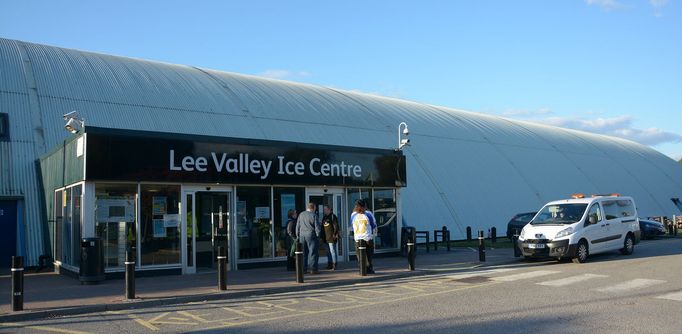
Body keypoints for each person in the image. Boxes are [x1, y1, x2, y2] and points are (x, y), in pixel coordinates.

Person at [351, 199, 376, 274]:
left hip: (358, 238)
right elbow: (373, 225)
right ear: (364, 206)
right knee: (369, 255)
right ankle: (369, 268)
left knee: (359, 255)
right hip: (367, 237)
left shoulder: (353, 215)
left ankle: (361, 269)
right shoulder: (368, 214)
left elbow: (352, 225)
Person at [296, 202, 322, 274]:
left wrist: (297, 235)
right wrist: (318, 236)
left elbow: (297, 226)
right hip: (311, 235)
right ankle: (313, 269)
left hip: (302, 236)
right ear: (313, 208)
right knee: (313, 253)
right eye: (315, 208)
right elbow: (317, 228)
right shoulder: (314, 215)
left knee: (304, 253)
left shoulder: (301, 214)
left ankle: (303, 269)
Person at [322, 205, 340, 270]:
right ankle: (329, 264)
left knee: (332, 251)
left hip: (331, 237)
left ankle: (334, 264)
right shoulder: (324, 217)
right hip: (325, 238)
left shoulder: (333, 216)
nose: (324, 211)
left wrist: (335, 234)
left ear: (329, 210)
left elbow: (336, 226)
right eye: (324, 209)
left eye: (326, 209)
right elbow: (322, 227)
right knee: (328, 252)